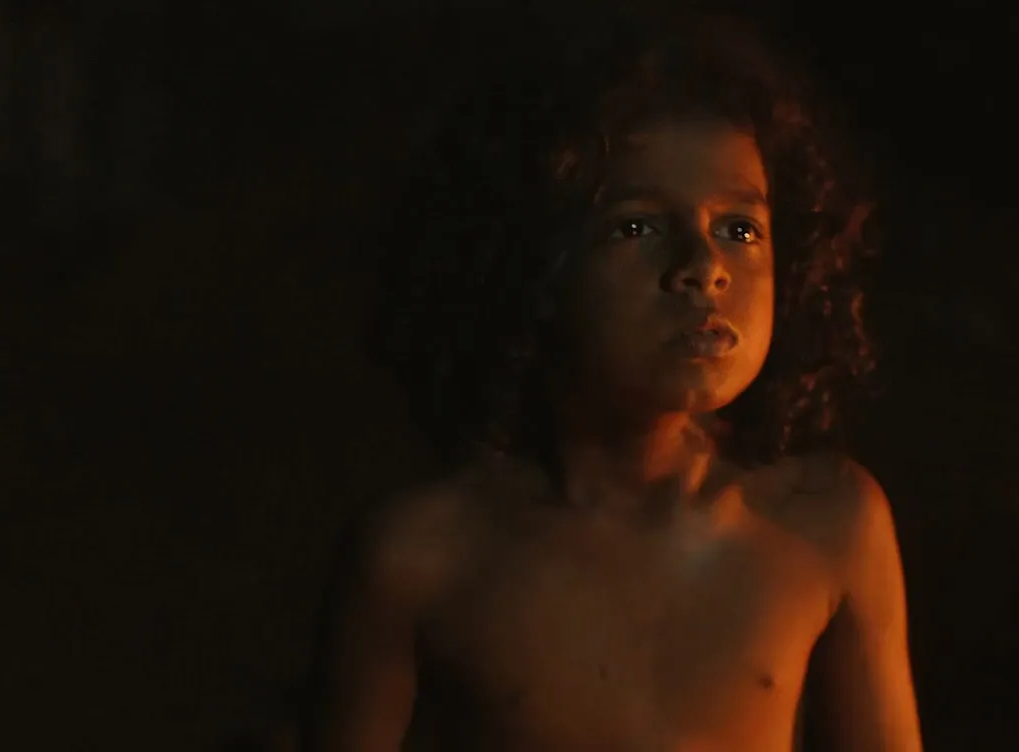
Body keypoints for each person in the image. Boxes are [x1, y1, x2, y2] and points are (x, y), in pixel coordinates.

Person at [302, 6, 921, 750]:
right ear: (532, 261)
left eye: (740, 229)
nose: (705, 268)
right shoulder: (424, 559)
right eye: (636, 227)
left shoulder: (828, 525)